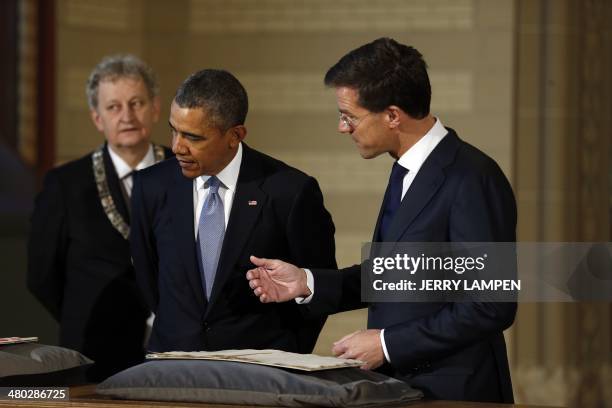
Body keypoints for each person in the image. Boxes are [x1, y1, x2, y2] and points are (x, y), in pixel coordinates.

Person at [246, 38, 517, 403]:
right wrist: (307, 282)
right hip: (403, 389)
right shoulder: (404, 170)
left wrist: (387, 344)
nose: (343, 127)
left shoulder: (473, 178)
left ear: (392, 115)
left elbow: (491, 305)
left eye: (349, 116)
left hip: (456, 391)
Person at [130, 69, 336, 354]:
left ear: (235, 135)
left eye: (193, 137)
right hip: (173, 366)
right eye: (174, 130)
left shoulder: (290, 191)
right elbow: (149, 278)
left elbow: (316, 286)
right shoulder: (150, 186)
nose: (177, 146)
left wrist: (287, 356)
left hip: (260, 373)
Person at [27, 54, 172, 380]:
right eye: (114, 107)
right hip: (94, 353)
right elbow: (41, 275)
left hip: (178, 351)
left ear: (156, 108)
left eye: (137, 103)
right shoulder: (65, 184)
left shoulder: (187, 172)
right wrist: (87, 311)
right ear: (97, 118)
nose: (127, 116)